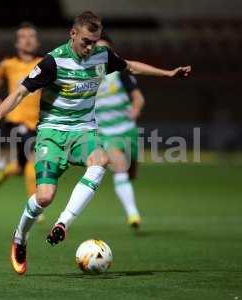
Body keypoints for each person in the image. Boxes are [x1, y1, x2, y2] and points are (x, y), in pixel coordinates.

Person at [0, 11, 191, 275]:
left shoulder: (102, 55)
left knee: (101, 160)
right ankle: (20, 237)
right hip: (52, 134)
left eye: (95, 41)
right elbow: (20, 91)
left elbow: (132, 66)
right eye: (86, 41)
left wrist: (169, 74)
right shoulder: (53, 62)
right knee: (44, 197)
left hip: (83, 132)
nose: (91, 47)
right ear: (73, 34)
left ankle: (63, 223)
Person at [95, 34, 145, 230]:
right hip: (106, 133)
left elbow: (138, 97)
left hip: (128, 130)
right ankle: (133, 214)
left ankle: (126, 189)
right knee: (120, 167)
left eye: (105, 50)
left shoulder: (121, 73)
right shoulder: (87, 76)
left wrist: (136, 108)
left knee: (130, 173)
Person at [0, 22, 42, 205]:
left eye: (31, 36)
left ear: (38, 42)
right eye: (23, 37)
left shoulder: (43, 64)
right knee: (33, 158)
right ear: (17, 43)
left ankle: (5, 172)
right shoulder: (9, 64)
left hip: (37, 122)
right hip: (15, 121)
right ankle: (34, 205)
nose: (27, 40)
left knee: (19, 168)